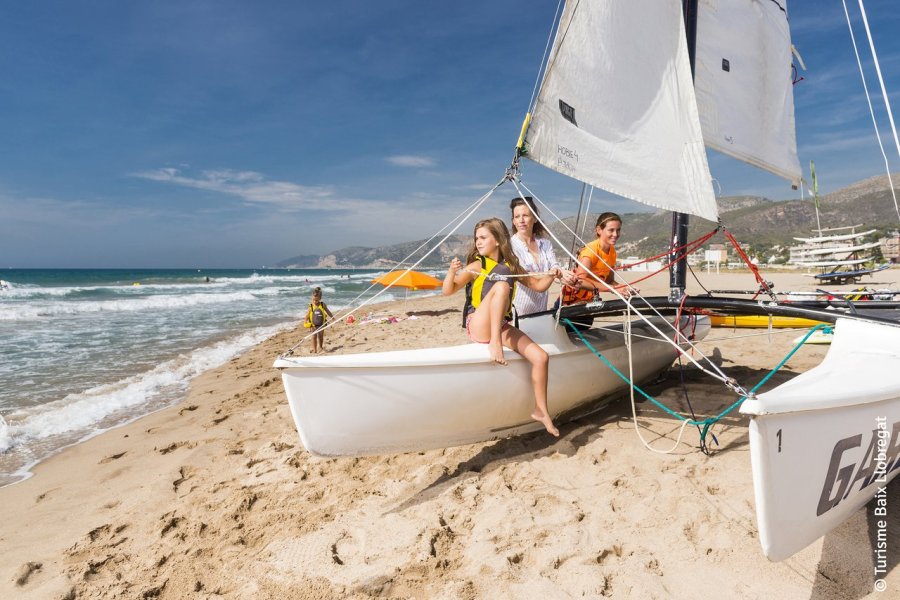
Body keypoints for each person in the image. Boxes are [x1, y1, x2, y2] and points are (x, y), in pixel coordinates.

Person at [442, 217, 559, 437]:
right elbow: (448, 290)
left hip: (501, 325)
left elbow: (539, 286)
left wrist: (553, 273)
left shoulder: (511, 266)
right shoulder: (478, 265)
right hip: (477, 324)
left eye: (483, 237)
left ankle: (541, 411)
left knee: (541, 357)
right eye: (476, 238)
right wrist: (451, 272)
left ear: (497, 240)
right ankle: (494, 343)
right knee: (502, 287)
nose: (478, 242)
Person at [508, 196, 578, 315]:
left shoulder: (545, 244)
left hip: (541, 309)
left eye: (525, 215)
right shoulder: (510, 246)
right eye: (517, 217)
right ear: (513, 221)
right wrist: (556, 273)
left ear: (534, 218)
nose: (521, 220)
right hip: (518, 312)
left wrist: (566, 277)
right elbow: (524, 275)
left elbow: (554, 267)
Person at [561, 212, 631, 329]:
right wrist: (613, 289)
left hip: (590, 302)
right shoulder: (590, 251)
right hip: (571, 304)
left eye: (618, 230)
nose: (615, 234)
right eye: (611, 230)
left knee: (584, 332)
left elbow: (609, 281)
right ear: (599, 230)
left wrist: (624, 288)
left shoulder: (612, 252)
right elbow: (580, 280)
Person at [304, 287, 333, 353]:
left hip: (321, 323)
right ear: (312, 298)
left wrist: (332, 317)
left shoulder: (323, 305)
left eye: (316, 300)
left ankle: (320, 346)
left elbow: (328, 311)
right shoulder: (311, 306)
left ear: (320, 298)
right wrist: (305, 321)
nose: (315, 301)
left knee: (320, 336)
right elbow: (307, 315)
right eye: (313, 300)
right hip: (313, 324)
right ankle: (315, 349)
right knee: (314, 336)